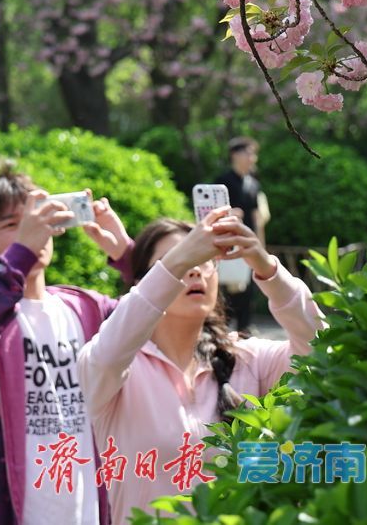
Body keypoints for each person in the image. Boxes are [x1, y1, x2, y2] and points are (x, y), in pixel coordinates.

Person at [77, 208, 326, 523]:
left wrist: (268, 269)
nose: (194, 271)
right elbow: (110, 350)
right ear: (145, 283)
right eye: (178, 262)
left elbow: (322, 351)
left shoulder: (247, 359)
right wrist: (179, 260)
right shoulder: (115, 369)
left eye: (202, 260)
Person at [0, 159, 133, 525]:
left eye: (35, 219)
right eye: (12, 225)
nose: (33, 232)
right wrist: (17, 257)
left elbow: (159, 323)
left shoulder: (86, 307)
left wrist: (128, 257)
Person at [217, 136, 269, 331]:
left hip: (249, 245)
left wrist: (261, 248)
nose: (251, 158)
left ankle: (244, 332)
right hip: (228, 245)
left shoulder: (253, 184)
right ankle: (221, 331)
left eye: (253, 153)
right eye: (247, 152)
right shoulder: (222, 182)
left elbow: (257, 219)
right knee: (227, 291)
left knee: (248, 291)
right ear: (234, 155)